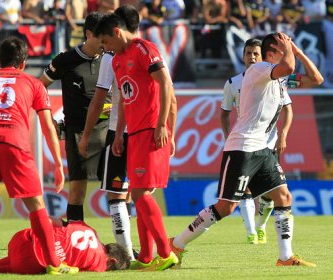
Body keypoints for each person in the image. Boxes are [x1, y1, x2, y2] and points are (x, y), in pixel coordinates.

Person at [170, 32, 323, 267]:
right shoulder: (260, 69)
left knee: (283, 197)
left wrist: (297, 50)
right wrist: (289, 51)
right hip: (242, 148)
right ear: (272, 54)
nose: (287, 52)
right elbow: (289, 66)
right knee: (226, 207)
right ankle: (177, 244)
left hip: (262, 149)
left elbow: (316, 79)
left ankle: (285, 257)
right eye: (283, 49)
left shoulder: (280, 78)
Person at [0, 36, 78, 275]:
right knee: (36, 206)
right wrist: (58, 164)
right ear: (23, 62)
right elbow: (48, 126)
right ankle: (55, 265)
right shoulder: (33, 84)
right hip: (15, 144)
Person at [94, 11, 178, 271]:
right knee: (140, 191)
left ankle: (165, 254)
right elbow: (124, 100)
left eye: (106, 42)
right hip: (134, 132)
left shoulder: (144, 49)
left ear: (117, 32)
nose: (105, 49)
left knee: (141, 192)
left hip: (151, 129)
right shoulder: (118, 60)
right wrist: (119, 134)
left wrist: (163, 125)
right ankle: (145, 257)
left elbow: (165, 83)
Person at [77, 5, 141, 261]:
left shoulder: (110, 59)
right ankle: (146, 251)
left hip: (120, 132)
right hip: (146, 132)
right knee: (139, 195)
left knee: (117, 195)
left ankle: (127, 254)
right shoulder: (151, 50)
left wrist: (85, 136)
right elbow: (168, 92)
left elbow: (99, 98)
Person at [221, 38, 293, 245]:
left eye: (256, 54)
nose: (251, 57)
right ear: (243, 56)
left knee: (270, 196)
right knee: (246, 191)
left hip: (269, 143)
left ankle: (260, 226)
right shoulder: (233, 83)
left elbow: (290, 106)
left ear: (263, 57)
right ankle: (251, 232)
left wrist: (283, 135)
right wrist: (228, 138)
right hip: (247, 143)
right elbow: (224, 114)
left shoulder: (278, 79)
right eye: (248, 53)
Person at [39, 12, 109, 222]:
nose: (106, 42)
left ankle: (124, 243)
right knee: (77, 191)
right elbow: (38, 86)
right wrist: (49, 118)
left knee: (119, 192)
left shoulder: (112, 58)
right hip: (78, 133)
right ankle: (75, 239)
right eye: (101, 37)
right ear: (88, 34)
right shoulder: (65, 60)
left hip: (109, 131)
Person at [0, 218, 130, 274]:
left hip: (21, 237)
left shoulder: (88, 229)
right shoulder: (100, 263)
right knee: (32, 263)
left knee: (30, 251)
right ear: (112, 260)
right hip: (29, 261)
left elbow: (56, 220)